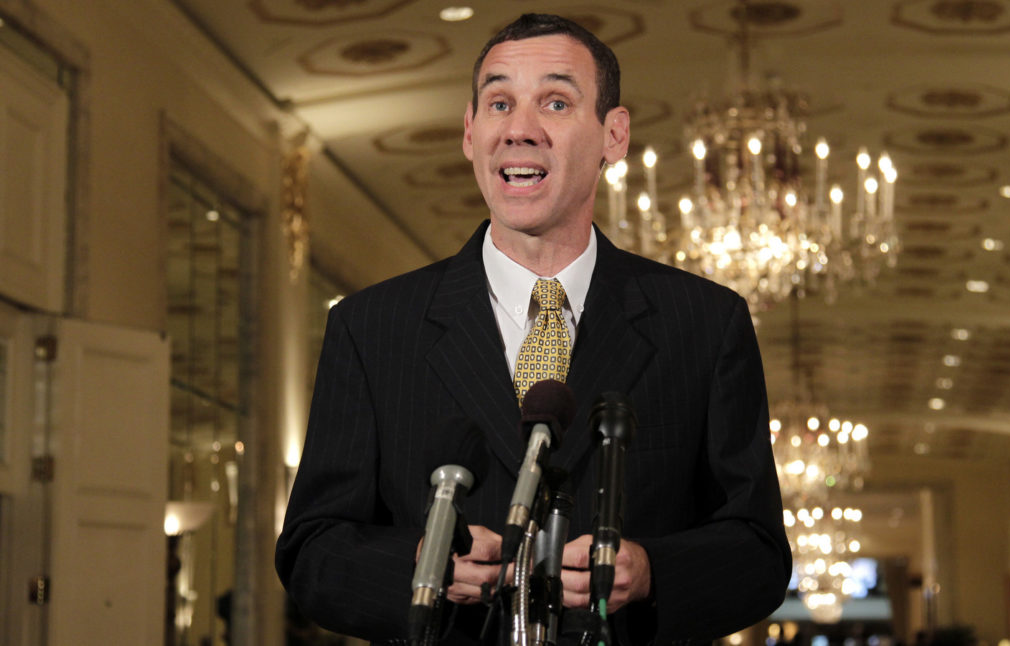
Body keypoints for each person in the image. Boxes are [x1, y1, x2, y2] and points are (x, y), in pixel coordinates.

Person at [275, 13, 791, 645]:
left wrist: (654, 571)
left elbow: (759, 550)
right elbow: (311, 550)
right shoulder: (371, 327)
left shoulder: (707, 324)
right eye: (498, 102)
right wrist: (422, 566)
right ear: (470, 133)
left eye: (554, 101)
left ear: (614, 135)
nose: (520, 130)